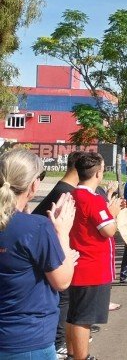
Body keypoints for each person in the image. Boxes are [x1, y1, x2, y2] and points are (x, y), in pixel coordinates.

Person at [0, 149, 77, 360]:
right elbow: (62, 281)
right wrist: (63, 233)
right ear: (34, 184)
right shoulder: (36, 228)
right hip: (28, 339)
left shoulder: (29, 226)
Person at [66, 152, 123, 360]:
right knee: (84, 318)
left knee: (75, 315)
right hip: (92, 267)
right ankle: (81, 357)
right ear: (98, 173)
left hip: (78, 264)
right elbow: (108, 230)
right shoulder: (92, 199)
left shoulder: (71, 195)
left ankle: (73, 354)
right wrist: (113, 212)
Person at [31, 151, 84, 356]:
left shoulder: (63, 189)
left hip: (51, 252)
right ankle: (59, 341)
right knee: (63, 298)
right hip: (52, 255)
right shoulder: (65, 193)